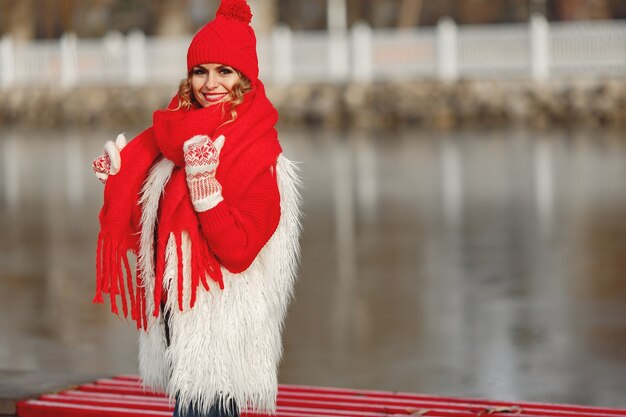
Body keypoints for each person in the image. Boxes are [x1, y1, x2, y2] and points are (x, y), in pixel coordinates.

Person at [91, 1, 301, 416]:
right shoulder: (171, 145)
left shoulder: (262, 157)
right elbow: (148, 240)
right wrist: (119, 180)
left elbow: (239, 252)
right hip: (177, 329)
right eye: (200, 71)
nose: (210, 83)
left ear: (245, 77)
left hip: (221, 344)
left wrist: (206, 190)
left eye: (224, 71)